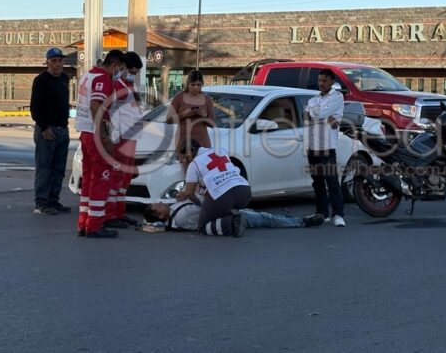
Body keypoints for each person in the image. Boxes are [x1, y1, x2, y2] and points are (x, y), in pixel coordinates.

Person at [74, 49, 126, 238]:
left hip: (85, 132)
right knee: (101, 180)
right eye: (119, 69)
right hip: (95, 135)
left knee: (88, 181)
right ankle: (95, 225)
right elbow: (96, 105)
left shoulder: (87, 75)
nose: (119, 73)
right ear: (115, 65)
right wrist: (104, 136)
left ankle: (84, 223)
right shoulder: (103, 78)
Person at [175, 139, 252, 237]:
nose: (182, 161)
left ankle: (232, 223)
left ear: (189, 154)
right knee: (220, 206)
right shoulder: (220, 150)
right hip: (244, 191)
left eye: (183, 158)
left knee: (202, 227)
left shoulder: (194, 164)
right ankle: (231, 214)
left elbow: (190, 193)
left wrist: (201, 204)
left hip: (223, 196)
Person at [29, 47, 72, 215]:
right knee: (44, 168)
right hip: (46, 130)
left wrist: (66, 125)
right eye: (54, 61)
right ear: (47, 62)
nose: (57, 64)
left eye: (60, 60)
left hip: (62, 129)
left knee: (59, 169)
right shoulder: (41, 80)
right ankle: (41, 203)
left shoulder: (64, 78)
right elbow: (35, 108)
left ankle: (54, 201)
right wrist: (44, 127)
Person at [105, 51, 144, 229]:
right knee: (117, 176)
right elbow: (112, 112)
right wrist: (114, 136)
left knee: (126, 177)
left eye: (135, 73)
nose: (133, 75)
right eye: (132, 71)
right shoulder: (116, 84)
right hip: (121, 137)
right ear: (123, 67)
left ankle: (119, 213)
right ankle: (110, 214)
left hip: (131, 136)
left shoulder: (128, 85)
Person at [304, 68, 346, 227]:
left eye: (324, 81)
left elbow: (319, 115)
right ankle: (322, 212)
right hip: (312, 144)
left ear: (332, 82)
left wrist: (322, 115)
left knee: (332, 181)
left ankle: (338, 214)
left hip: (327, 145)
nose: (321, 83)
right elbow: (308, 118)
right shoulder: (313, 99)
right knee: (317, 181)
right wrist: (324, 116)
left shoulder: (337, 97)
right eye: (320, 80)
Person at [143, 198, 325, 231]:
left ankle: (291, 219)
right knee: (265, 219)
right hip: (228, 217)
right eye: (157, 206)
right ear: (160, 216)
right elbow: (205, 207)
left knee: (263, 215)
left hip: (227, 212)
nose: (160, 203)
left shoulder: (175, 208)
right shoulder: (181, 217)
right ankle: (302, 222)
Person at [165, 70, 215, 163]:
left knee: (203, 171)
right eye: (193, 84)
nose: (196, 88)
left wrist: (204, 115)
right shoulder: (179, 97)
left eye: (198, 85)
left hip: (202, 141)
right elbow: (168, 120)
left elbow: (213, 124)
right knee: (188, 172)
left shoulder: (207, 100)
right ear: (188, 84)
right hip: (184, 141)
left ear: (202, 85)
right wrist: (184, 114)